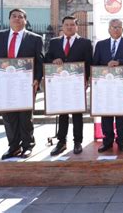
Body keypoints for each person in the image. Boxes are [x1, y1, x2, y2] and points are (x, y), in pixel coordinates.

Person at [0, 8, 44, 159]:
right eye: (14, 16)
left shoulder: (35, 39)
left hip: (26, 84)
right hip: (3, 84)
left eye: (20, 17)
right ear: (9, 19)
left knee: (25, 116)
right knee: (8, 117)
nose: (17, 19)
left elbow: (39, 60)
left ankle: (27, 145)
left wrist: (37, 78)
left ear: (25, 20)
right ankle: (14, 146)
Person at [46, 16, 93, 156]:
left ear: (76, 27)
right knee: (63, 113)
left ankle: (77, 142)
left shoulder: (85, 43)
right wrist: (54, 60)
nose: (69, 27)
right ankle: (61, 142)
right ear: (62, 26)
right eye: (66, 25)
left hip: (76, 84)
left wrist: (87, 79)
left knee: (77, 113)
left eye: (72, 25)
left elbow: (89, 62)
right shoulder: (54, 42)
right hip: (60, 84)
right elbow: (47, 57)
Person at [95, 19, 123, 152]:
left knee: (121, 114)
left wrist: (119, 62)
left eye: (119, 27)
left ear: (122, 29)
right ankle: (107, 140)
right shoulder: (100, 45)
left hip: (120, 85)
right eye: (113, 27)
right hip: (104, 85)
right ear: (109, 29)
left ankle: (121, 140)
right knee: (106, 113)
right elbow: (95, 64)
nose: (116, 29)